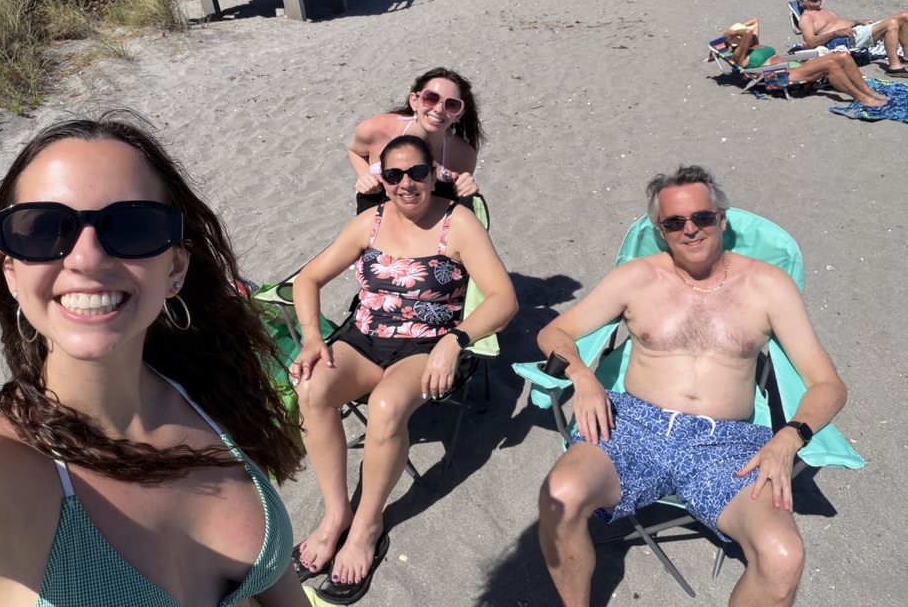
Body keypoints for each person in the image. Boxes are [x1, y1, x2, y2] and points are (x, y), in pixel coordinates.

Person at [0, 113, 309, 607]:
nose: (86, 259)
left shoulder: (214, 386)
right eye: (44, 229)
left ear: (175, 267)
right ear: (12, 272)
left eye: (132, 226)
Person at [536, 165, 848, 607]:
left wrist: (789, 437)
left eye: (702, 217)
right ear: (660, 230)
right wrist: (583, 377)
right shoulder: (637, 278)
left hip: (728, 445)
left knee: (783, 557)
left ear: (721, 219)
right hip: (631, 426)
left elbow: (828, 385)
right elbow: (555, 332)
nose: (690, 229)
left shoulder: (767, 286)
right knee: (560, 498)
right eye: (674, 222)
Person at [290, 134, 517, 603]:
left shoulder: (458, 223)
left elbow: (503, 298)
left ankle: (366, 526)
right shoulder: (370, 222)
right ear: (383, 179)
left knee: (387, 406)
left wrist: (456, 340)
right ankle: (336, 515)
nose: (406, 184)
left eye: (416, 172)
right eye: (394, 175)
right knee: (311, 388)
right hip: (364, 339)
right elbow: (308, 278)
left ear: (433, 174)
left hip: (427, 345)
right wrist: (313, 337)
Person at [348, 67, 484, 213]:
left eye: (451, 105)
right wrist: (365, 176)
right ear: (414, 101)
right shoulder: (376, 130)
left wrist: (466, 188)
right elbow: (354, 151)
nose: (439, 109)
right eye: (431, 98)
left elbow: (454, 201)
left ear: (459, 114)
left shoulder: (462, 155)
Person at [725, 18, 888, 107]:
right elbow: (748, 32)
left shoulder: (753, 44)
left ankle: (868, 92)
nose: (751, 35)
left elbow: (755, 21)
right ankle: (862, 98)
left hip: (794, 66)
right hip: (779, 75)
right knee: (830, 65)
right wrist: (734, 32)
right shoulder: (739, 55)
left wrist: (735, 30)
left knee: (842, 56)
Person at [796, 0, 908, 78]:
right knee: (892, 23)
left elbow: (840, 22)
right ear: (803, 2)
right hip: (848, 39)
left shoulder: (822, 10)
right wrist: (836, 33)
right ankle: (895, 67)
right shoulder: (806, 19)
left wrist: (858, 21)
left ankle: (906, 57)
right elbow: (811, 43)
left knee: (905, 16)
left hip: (856, 30)